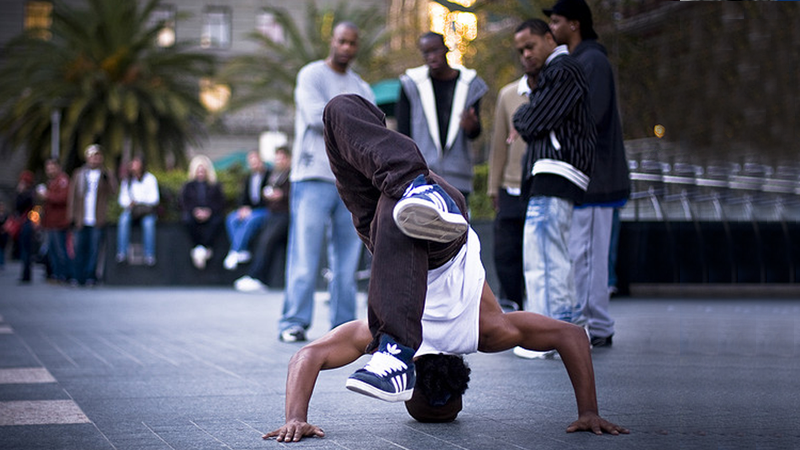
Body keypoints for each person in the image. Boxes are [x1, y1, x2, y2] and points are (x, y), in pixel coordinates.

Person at [263, 94, 628, 442]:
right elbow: (308, 356)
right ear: (407, 384)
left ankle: (409, 184)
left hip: (391, 226)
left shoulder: (486, 332)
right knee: (347, 128)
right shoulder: (390, 336)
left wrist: (589, 410)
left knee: (340, 110)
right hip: (438, 236)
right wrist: (296, 418)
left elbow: (571, 336)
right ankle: (416, 187)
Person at [277, 22, 375, 343]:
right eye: (342, 41)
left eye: (352, 43)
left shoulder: (361, 85)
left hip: (351, 183)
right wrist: (353, 123)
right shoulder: (311, 75)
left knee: (347, 262)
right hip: (313, 178)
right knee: (304, 256)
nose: (347, 47)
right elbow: (314, 116)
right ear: (332, 41)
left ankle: (343, 328)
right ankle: (293, 322)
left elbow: (374, 125)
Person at [546, 0, 631, 347]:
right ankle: (587, 322)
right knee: (581, 252)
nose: (552, 28)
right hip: (584, 177)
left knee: (589, 255)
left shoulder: (592, 61)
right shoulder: (581, 60)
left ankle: (596, 325)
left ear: (575, 24)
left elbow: (590, 117)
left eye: (556, 21)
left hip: (597, 179)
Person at [511, 19, 596, 359]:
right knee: (553, 255)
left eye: (530, 46)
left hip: (555, 170)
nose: (526, 55)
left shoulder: (563, 70)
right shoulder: (558, 72)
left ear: (549, 38)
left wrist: (521, 113)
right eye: (520, 51)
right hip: (555, 171)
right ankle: (567, 333)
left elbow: (532, 123)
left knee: (543, 257)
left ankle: (547, 337)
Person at [396, 32, 488, 203]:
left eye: (435, 50)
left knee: (457, 226)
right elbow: (403, 132)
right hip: (422, 176)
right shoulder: (411, 84)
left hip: (458, 176)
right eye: (426, 52)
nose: (431, 57)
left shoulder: (469, 84)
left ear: (446, 49)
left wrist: (472, 127)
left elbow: (475, 132)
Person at [487, 54, 540, 312]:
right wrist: (492, 186)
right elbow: (498, 145)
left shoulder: (553, 93)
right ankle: (511, 305)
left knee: (536, 254)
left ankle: (538, 312)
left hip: (541, 185)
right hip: (510, 186)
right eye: (521, 50)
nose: (526, 55)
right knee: (505, 251)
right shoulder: (508, 94)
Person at [234, 147, 291, 292]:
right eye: (277, 157)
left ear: (289, 158)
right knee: (263, 240)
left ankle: (257, 277)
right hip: (272, 214)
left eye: (282, 157)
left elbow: (291, 195)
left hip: (285, 215)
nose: (279, 160)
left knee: (267, 241)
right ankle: (254, 275)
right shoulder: (276, 174)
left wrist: (281, 196)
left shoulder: (292, 174)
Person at [67, 144, 118, 286]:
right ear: (87, 157)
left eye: (98, 156)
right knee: (79, 249)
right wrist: (71, 217)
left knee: (94, 250)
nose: (95, 159)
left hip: (98, 218)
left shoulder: (106, 174)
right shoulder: (79, 174)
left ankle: (91, 276)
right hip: (81, 218)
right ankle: (78, 277)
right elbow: (72, 197)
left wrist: (109, 178)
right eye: (92, 156)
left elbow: (113, 192)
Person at [223, 150, 269, 271]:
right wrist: (243, 208)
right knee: (231, 219)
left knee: (250, 219)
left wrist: (250, 211)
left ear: (261, 161)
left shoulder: (269, 175)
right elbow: (243, 197)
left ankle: (235, 251)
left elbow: (268, 198)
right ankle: (242, 250)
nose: (254, 165)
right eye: (251, 162)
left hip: (264, 210)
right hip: (250, 210)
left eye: (256, 161)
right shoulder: (248, 177)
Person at [180, 155, 225, 270]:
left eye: (203, 170)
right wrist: (195, 211)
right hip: (193, 214)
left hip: (211, 214)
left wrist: (208, 211)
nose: (201, 173)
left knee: (217, 221)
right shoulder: (188, 186)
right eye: (198, 170)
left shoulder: (214, 186)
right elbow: (184, 202)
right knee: (187, 219)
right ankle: (200, 247)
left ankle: (203, 247)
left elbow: (220, 202)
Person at [115, 154, 160, 266]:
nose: (133, 165)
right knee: (123, 220)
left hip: (146, 212)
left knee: (148, 224)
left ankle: (149, 255)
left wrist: (138, 201)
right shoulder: (127, 181)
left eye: (136, 162)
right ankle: (122, 253)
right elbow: (122, 199)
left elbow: (154, 199)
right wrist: (129, 203)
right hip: (132, 211)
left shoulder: (150, 179)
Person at [39, 159, 71, 282]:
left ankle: (63, 275)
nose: (50, 170)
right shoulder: (50, 182)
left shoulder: (62, 180)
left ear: (58, 167)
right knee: (52, 251)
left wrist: (47, 195)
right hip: (49, 223)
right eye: (48, 168)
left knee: (60, 250)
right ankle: (55, 275)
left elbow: (63, 198)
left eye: (52, 167)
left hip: (59, 222)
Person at [12, 170, 36, 283]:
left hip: (27, 223)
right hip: (24, 223)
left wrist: (20, 193)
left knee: (26, 250)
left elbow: (20, 206)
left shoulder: (30, 194)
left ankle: (26, 275)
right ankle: (25, 274)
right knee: (23, 250)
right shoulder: (26, 193)